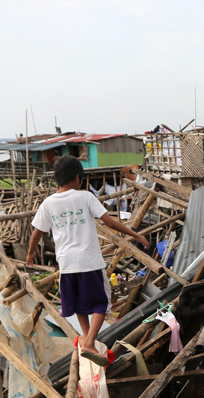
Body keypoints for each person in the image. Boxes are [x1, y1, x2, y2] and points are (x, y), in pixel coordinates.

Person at [27, 156, 149, 366]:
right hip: (89, 261)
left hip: (66, 264)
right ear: (78, 178)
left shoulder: (48, 203)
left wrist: (30, 254)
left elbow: (37, 233)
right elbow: (109, 222)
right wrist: (136, 235)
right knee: (101, 304)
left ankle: (85, 338)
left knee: (80, 306)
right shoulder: (85, 197)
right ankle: (90, 342)